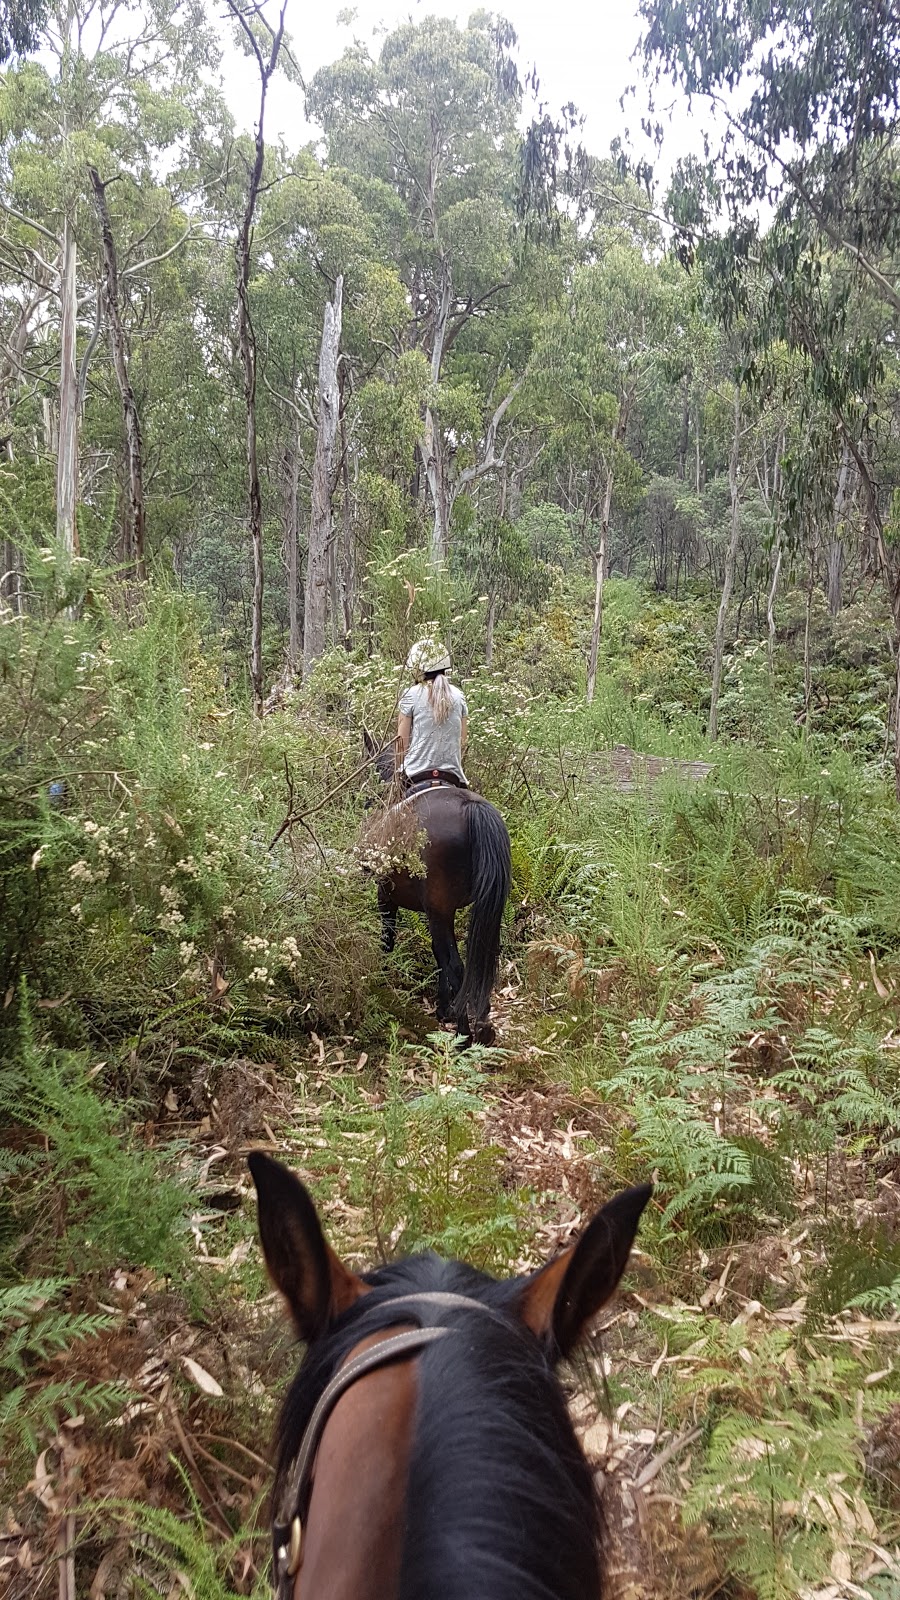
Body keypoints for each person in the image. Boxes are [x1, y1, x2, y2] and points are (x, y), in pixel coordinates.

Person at [397, 639, 469, 788]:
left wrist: (397, 776)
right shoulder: (459, 695)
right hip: (453, 776)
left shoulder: (410, 694)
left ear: (417, 669)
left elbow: (401, 746)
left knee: (390, 809)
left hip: (414, 774)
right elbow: (462, 742)